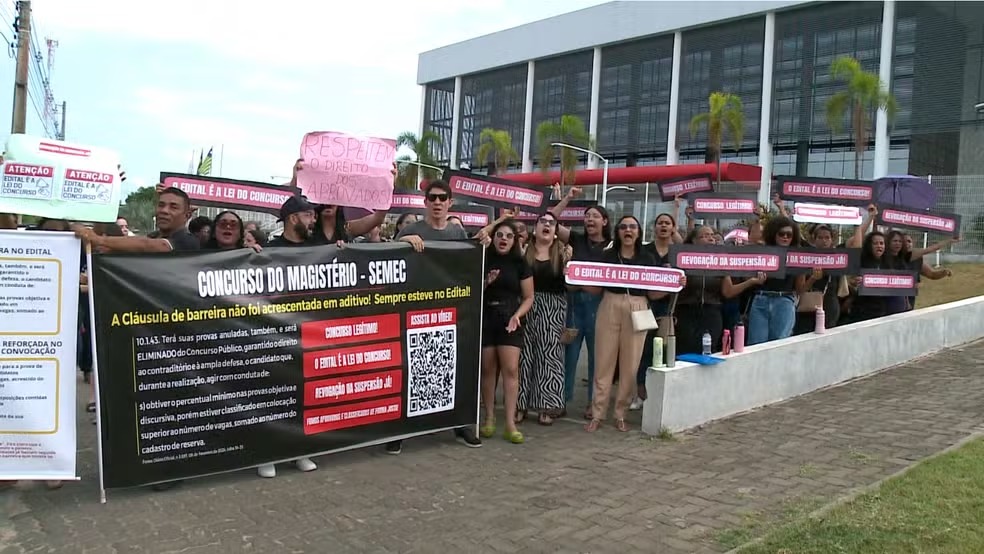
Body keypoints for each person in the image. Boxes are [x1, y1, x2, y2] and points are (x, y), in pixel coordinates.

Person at [386, 179, 485, 454]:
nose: (438, 202)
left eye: (443, 198)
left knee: (455, 370)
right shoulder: (412, 228)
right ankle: (400, 431)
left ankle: (461, 424)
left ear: (450, 202)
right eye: (433, 198)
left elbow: (469, 263)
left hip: (451, 313)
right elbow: (388, 256)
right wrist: (404, 241)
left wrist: (483, 242)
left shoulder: (456, 233)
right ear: (425, 201)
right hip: (417, 312)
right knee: (410, 370)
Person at [479, 220, 533, 444]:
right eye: (500, 235)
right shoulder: (484, 258)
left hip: (510, 317)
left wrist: (517, 315)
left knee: (511, 370)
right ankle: (490, 417)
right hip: (487, 317)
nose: (503, 239)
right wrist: (485, 282)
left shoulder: (520, 263)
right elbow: (472, 289)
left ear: (515, 240)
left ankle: (510, 423)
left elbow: (529, 297)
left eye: (509, 236)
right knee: (488, 369)